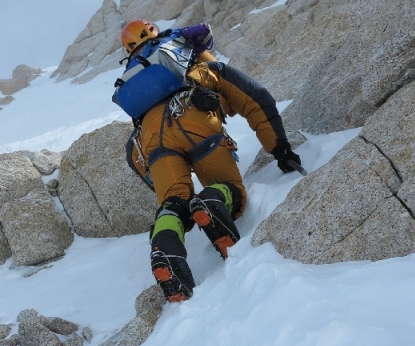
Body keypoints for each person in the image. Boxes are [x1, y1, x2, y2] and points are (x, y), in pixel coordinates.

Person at [118, 19, 302, 302]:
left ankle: (166, 249)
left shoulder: (135, 83)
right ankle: (211, 202)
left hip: (152, 138)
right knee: (230, 190)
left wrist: (157, 177)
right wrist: (280, 149)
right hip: (194, 118)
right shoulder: (199, 66)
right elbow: (255, 98)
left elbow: (135, 156)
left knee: (173, 202)